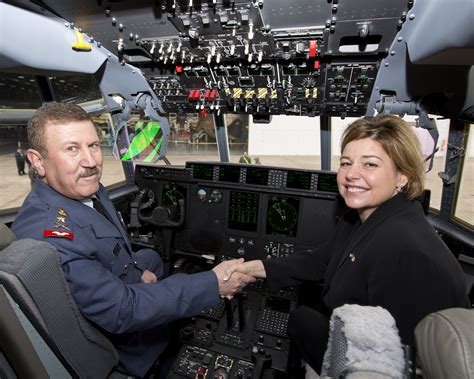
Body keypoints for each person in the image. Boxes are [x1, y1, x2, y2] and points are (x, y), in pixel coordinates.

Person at [12, 102, 255, 377]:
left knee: (150, 258)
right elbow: (122, 310)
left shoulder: (83, 188)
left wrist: (138, 273)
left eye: (93, 145)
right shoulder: (53, 238)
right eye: (72, 149)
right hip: (116, 343)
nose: (91, 161)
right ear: (37, 161)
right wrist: (213, 283)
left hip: (105, 284)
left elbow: (110, 247)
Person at [224, 114, 470, 374]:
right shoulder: (361, 218)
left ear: (402, 177)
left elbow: (400, 361)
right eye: (346, 163)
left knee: (302, 320)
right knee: (302, 319)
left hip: (381, 364)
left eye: (370, 165)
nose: (352, 174)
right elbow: (322, 260)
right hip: (353, 332)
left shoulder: (407, 251)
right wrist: (253, 268)